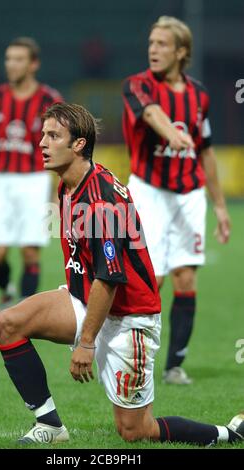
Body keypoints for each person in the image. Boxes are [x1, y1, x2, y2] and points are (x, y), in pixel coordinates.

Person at [0, 102, 243, 446]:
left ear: (79, 144)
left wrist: (85, 343)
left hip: (129, 317)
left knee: (135, 431)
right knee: (9, 324)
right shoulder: (69, 184)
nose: (42, 143)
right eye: (43, 135)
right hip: (87, 299)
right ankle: (50, 426)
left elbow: (110, 278)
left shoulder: (102, 200)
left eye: (53, 136)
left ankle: (229, 434)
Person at [122, 16, 231, 385]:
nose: (153, 49)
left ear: (181, 51)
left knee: (186, 278)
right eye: (151, 42)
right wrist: (172, 134)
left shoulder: (199, 95)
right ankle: (137, 356)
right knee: (151, 278)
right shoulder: (136, 84)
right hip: (149, 191)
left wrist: (219, 206)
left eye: (162, 44)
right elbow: (151, 113)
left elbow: (208, 153)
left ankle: (174, 365)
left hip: (189, 195)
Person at [0, 37, 63, 309]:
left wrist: (58, 192)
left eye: (19, 59)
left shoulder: (50, 100)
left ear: (34, 64)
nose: (11, 64)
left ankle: (22, 310)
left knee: (30, 251)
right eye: (9, 58)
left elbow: (61, 147)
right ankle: (7, 290)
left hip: (34, 180)